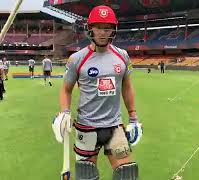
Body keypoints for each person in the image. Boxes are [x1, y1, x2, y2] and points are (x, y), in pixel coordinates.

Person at [52, 5, 142, 180]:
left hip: (114, 126)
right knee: (86, 176)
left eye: (107, 28)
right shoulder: (77, 58)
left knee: (127, 174)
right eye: (98, 27)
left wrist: (133, 117)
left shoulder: (122, 55)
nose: (102, 32)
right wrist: (64, 112)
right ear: (90, 29)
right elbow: (66, 89)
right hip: (87, 127)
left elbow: (127, 86)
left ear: (113, 30)